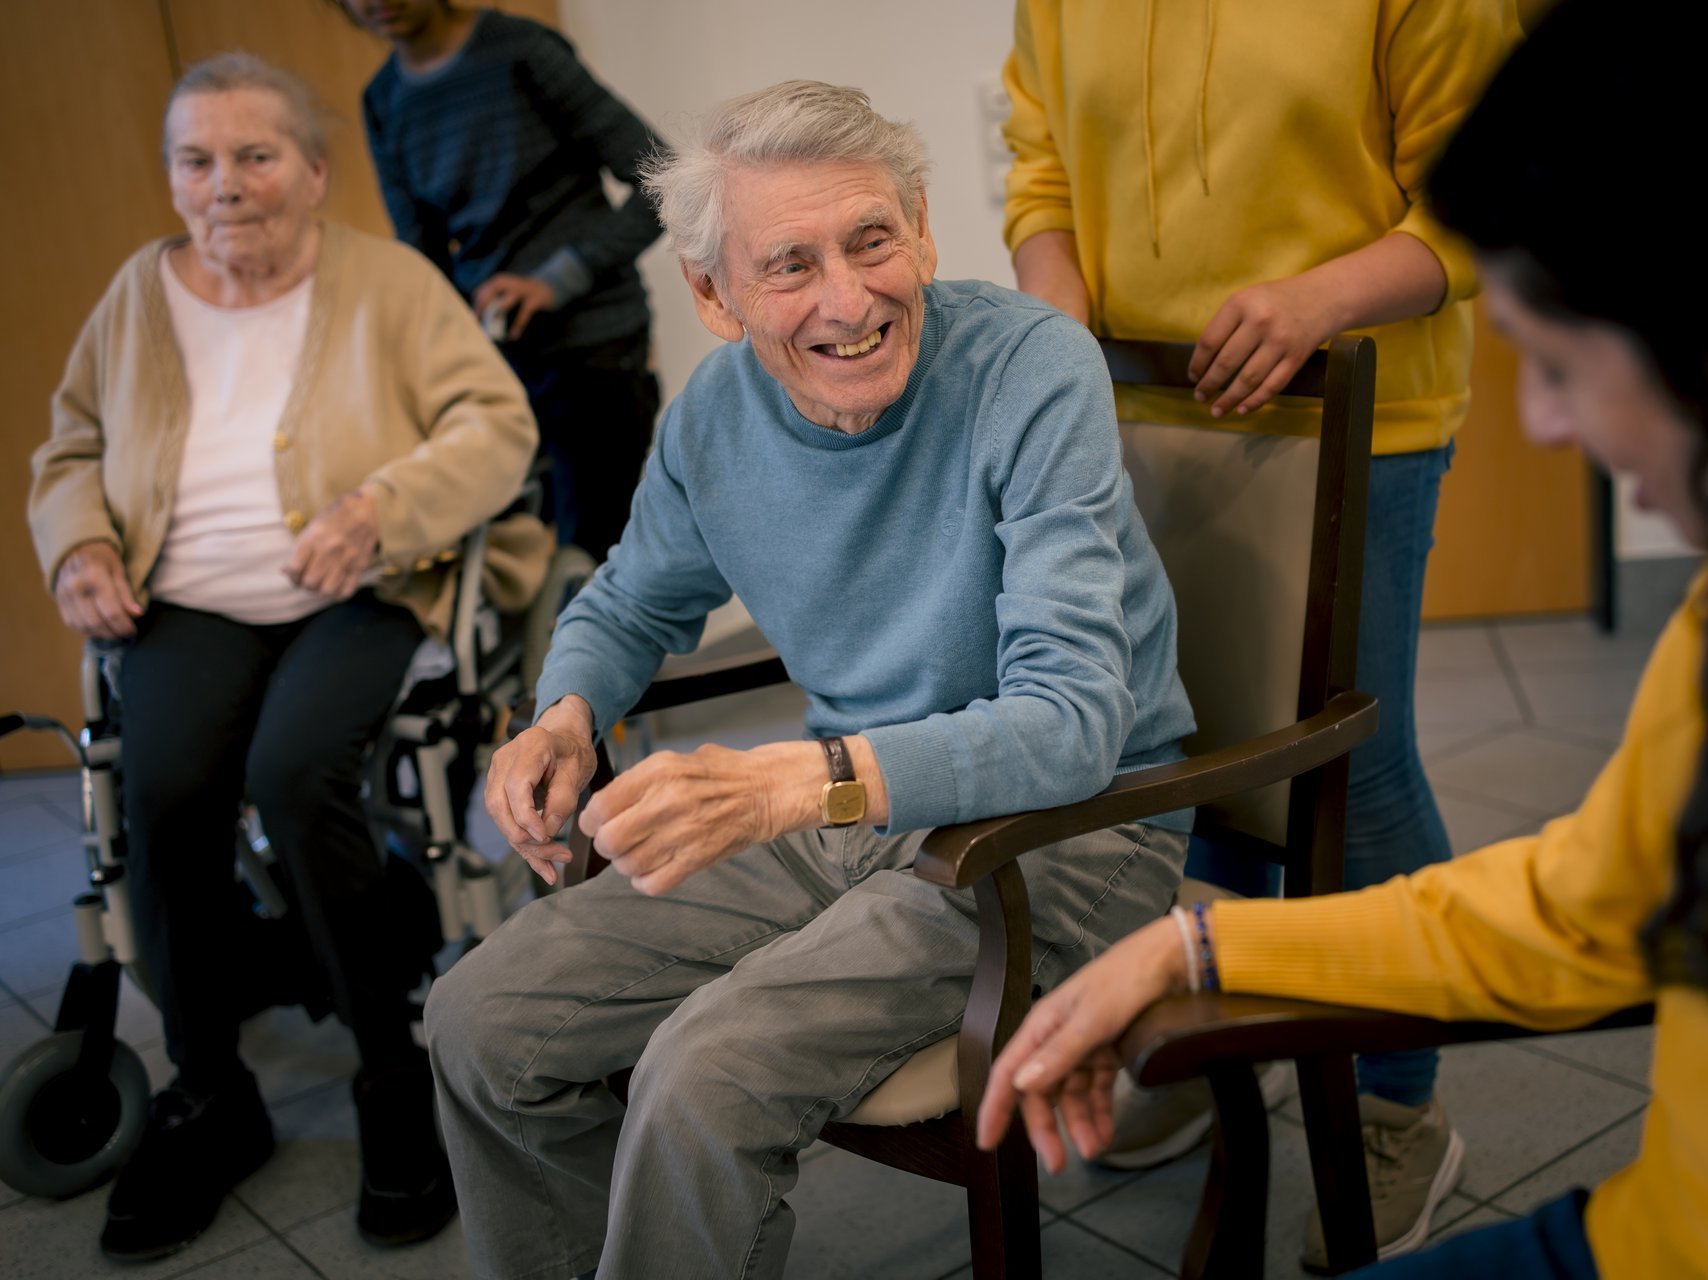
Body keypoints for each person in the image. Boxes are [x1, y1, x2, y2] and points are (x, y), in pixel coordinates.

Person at [977, 1, 1707, 1274]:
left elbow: (1465, 205)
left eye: (1562, 363)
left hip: (1346, 403)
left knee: (1344, 763)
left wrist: (1318, 296)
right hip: (1133, 405)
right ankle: (1224, 1028)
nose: (1538, 422)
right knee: (1187, 750)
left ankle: (1388, 1105)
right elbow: (1585, 910)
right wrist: (1195, 946)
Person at [425, 79, 1198, 1279]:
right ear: (711, 293)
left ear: (925, 230)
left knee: (703, 1072)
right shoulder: (709, 421)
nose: (849, 300)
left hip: (1069, 831)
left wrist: (801, 782)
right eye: (788, 264)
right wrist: (567, 709)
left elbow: (1071, 723)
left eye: (872, 240)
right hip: (851, 815)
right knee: (480, 1023)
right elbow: (633, 596)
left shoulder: (1032, 369)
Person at [27, 53, 542, 1261]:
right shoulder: (135, 295)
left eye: (256, 155)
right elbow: (69, 451)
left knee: (297, 772)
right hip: (187, 599)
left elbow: (496, 424)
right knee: (161, 790)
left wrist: (380, 506)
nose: (227, 185)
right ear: (171, 178)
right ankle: (209, 1093)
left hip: (357, 587)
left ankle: (389, 1069)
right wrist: (79, 546)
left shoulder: (387, 284)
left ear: (312, 171)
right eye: (196, 160)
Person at [347, 0, 664, 568]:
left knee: (591, 559)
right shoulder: (382, 100)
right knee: (511, 565)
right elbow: (420, 259)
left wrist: (555, 281)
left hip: (595, 347)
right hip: (495, 365)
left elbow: (663, 182)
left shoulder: (522, 51)